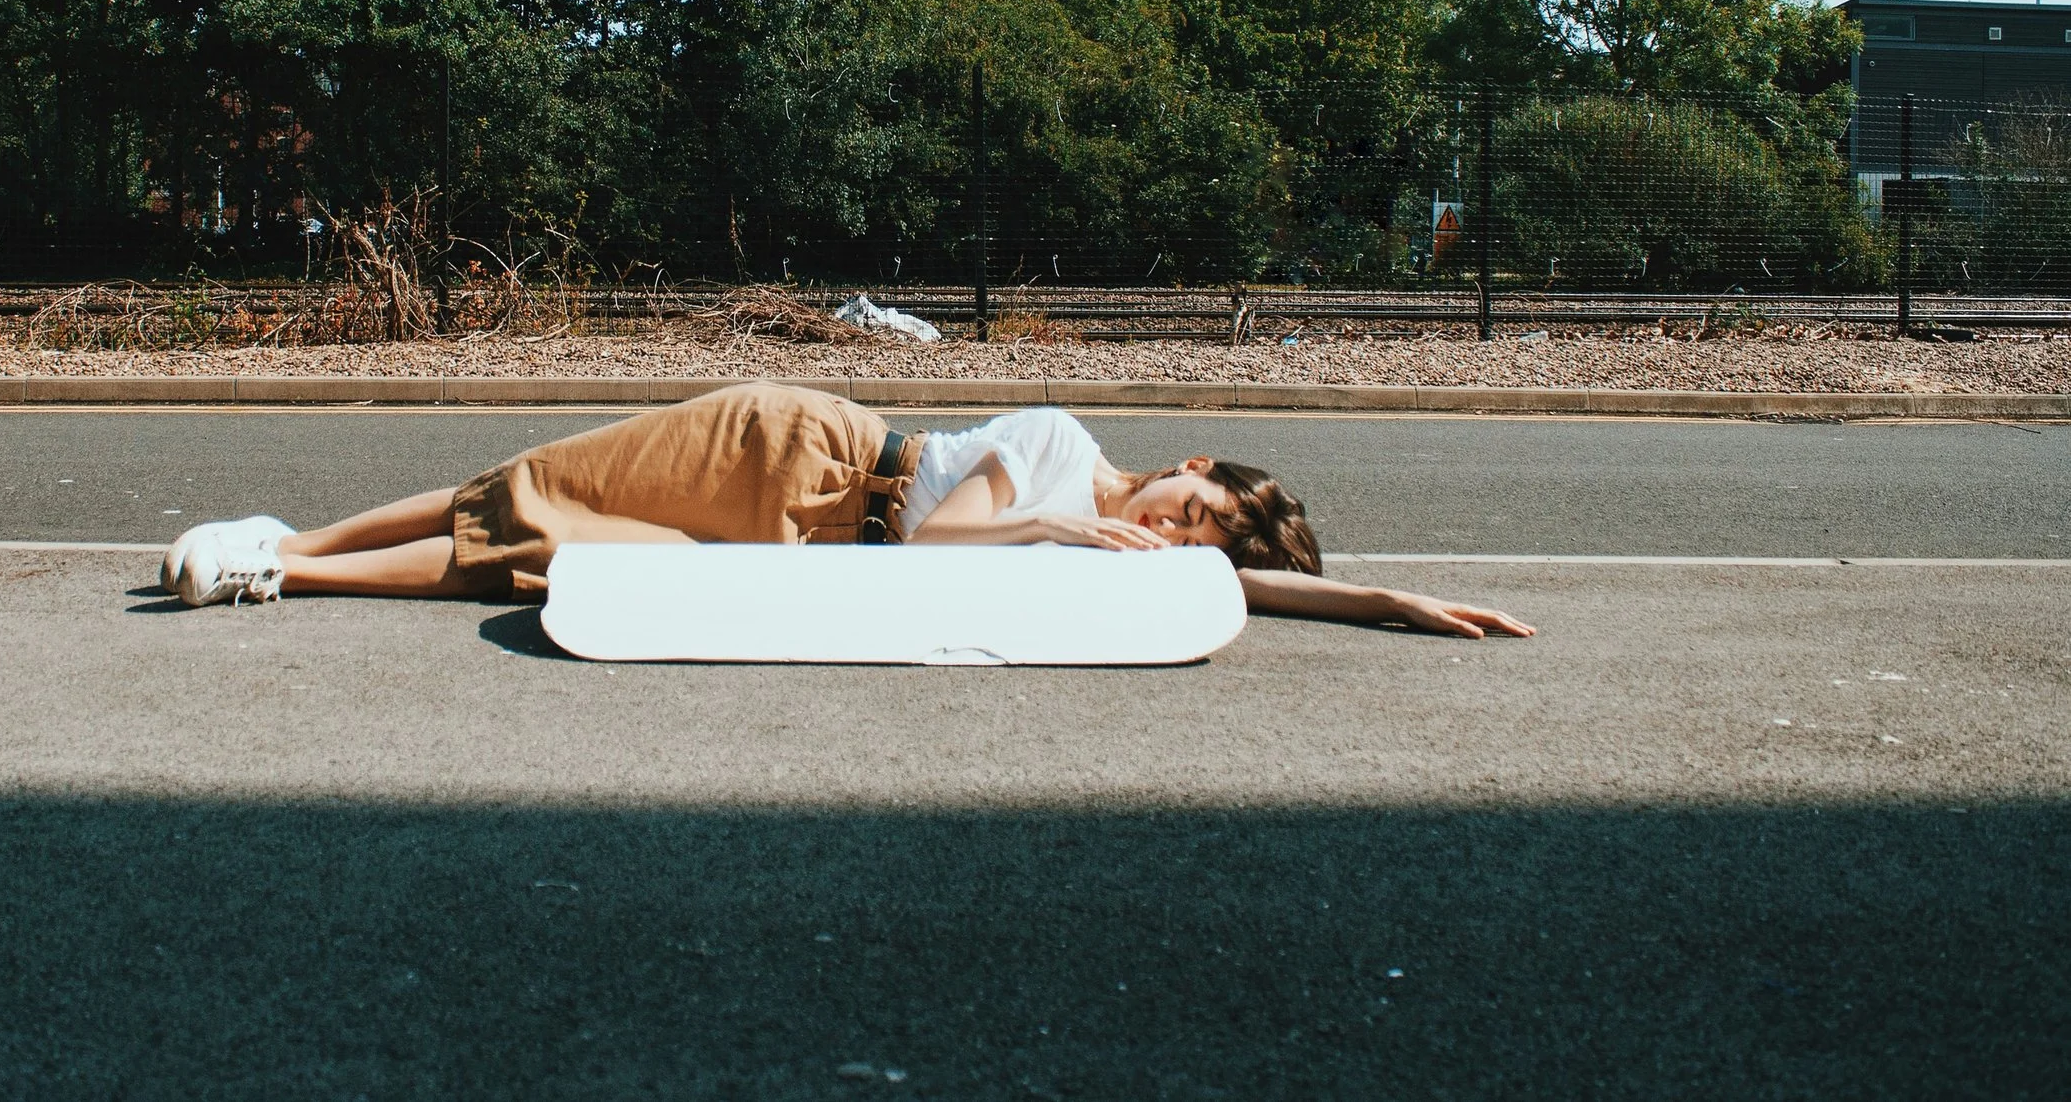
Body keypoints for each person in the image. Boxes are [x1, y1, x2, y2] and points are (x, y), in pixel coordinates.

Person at [162, 383, 1532, 640]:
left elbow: (1247, 596)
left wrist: (1384, 601)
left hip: (797, 553)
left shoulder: (1132, 560)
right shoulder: (1070, 456)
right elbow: (931, 549)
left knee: (540, 565)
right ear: (1196, 466)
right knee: (529, 487)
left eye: (1200, 546)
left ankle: (279, 579)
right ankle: (290, 534)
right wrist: (1058, 530)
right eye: (1198, 511)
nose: (1180, 538)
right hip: (805, 454)